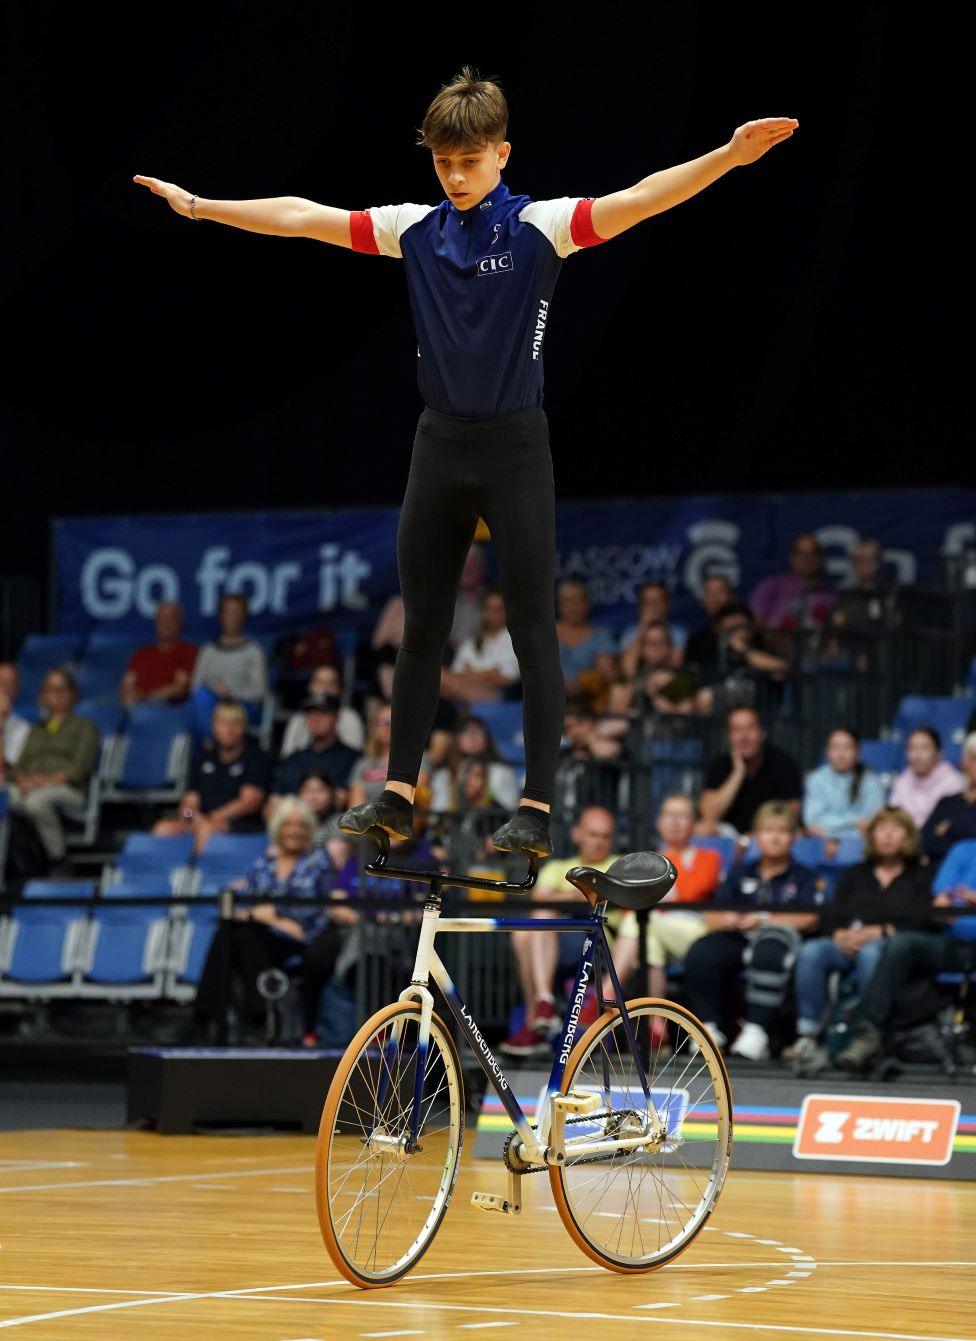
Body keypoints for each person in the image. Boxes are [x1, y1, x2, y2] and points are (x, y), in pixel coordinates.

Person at [135, 69, 797, 859]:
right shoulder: (413, 228)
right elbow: (302, 217)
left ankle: (537, 809)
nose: (454, 177)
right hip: (438, 446)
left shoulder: (540, 226)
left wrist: (726, 156)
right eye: (443, 163)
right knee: (422, 629)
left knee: (531, 631)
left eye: (470, 162)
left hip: (515, 448)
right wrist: (204, 207)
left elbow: (642, 197)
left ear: (502, 154)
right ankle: (396, 794)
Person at [189, 796, 354, 1045]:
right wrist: (263, 917)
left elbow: (311, 910)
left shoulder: (318, 860)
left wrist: (269, 915)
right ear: (277, 827)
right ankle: (242, 1014)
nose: (294, 831)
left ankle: (211, 1016)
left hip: (303, 938)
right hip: (264, 936)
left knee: (238, 934)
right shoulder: (265, 862)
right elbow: (247, 901)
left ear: (309, 830)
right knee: (232, 931)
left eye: (300, 825)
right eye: (288, 824)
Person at [787, 806, 935, 1072]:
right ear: (871, 836)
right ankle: (807, 1034)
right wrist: (839, 933)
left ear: (909, 836)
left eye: (895, 829)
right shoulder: (855, 873)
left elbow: (925, 920)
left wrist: (883, 931)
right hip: (847, 942)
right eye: (881, 829)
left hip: (888, 946)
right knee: (812, 951)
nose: (887, 836)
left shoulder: (921, 875)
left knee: (872, 954)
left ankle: (866, 1033)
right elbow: (832, 913)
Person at [682, 801, 821, 1060]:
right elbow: (712, 916)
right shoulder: (740, 872)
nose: (775, 837)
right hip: (739, 937)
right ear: (756, 836)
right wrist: (728, 918)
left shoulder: (803, 876)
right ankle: (708, 1029)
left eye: (783, 831)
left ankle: (757, 1032)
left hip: (780, 941)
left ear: (793, 837)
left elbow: (810, 917)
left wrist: (763, 920)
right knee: (702, 952)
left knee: (769, 949)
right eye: (768, 830)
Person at [501, 806, 621, 1057]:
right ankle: (540, 1009)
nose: (599, 841)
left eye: (605, 836)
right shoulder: (559, 866)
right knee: (524, 933)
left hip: (600, 945)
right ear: (577, 834)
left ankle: (536, 1018)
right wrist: (585, 894)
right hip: (558, 941)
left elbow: (554, 898)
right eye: (593, 834)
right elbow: (539, 898)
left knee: (541, 919)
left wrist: (562, 896)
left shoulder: (616, 867)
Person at [610, 795, 721, 1011]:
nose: (674, 822)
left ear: (694, 823)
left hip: (695, 933)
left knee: (640, 920)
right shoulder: (648, 859)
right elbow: (628, 904)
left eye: (682, 816)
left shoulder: (709, 857)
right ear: (658, 821)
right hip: (655, 929)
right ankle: (657, 1024)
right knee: (646, 935)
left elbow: (692, 892)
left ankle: (607, 990)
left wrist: (663, 864)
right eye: (669, 814)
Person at [6, 669, 100, 863]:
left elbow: (78, 770)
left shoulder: (85, 727)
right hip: (29, 785)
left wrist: (44, 782)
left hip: (67, 788)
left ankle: (57, 858)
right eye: (50, 689)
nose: (56, 695)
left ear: (73, 693)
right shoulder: (36, 729)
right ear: (43, 695)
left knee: (35, 802)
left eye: (62, 689)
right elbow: (18, 766)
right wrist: (23, 780)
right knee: (4, 797)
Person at [154, 701, 271, 852]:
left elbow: (249, 802)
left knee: (206, 829)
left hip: (239, 825)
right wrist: (190, 817)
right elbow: (188, 803)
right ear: (214, 727)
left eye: (235, 723)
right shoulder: (204, 758)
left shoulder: (255, 757)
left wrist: (210, 818)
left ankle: (196, 874)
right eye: (223, 723)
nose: (229, 729)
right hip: (201, 821)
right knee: (162, 829)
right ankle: (164, 874)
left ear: (243, 727)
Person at [698, 706, 803, 836]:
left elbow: (791, 812)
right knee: (702, 829)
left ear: (762, 732)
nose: (744, 736)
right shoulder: (720, 764)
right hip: (730, 835)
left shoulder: (783, 763)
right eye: (737, 730)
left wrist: (757, 834)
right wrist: (738, 773)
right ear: (729, 736)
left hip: (768, 833)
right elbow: (709, 815)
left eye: (750, 728)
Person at [189, 593, 268, 736]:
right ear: (221, 616)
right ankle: (210, 747)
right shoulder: (208, 650)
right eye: (228, 612)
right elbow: (195, 685)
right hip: (211, 705)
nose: (232, 617)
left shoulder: (253, 651)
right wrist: (214, 690)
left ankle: (213, 753)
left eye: (237, 612)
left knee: (220, 713)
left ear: (244, 616)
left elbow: (259, 692)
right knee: (201, 697)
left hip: (242, 707)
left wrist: (230, 695)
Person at [695, 601, 789, 715]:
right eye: (732, 623)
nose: (738, 626)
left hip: (760, 723)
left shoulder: (763, 649)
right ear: (719, 628)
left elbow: (782, 671)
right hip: (725, 725)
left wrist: (743, 649)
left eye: (742, 622)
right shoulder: (712, 656)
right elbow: (702, 697)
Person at [271, 693, 361, 803]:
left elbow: (348, 799)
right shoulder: (293, 759)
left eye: (323, 713)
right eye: (311, 714)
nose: (316, 718)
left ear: (336, 718)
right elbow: (273, 801)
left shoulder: (353, 759)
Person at [803, 728, 887, 845]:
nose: (840, 754)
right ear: (827, 752)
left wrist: (835, 837)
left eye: (847, 747)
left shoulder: (871, 782)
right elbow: (813, 823)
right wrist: (854, 821)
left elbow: (871, 826)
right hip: (823, 843)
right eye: (835, 747)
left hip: (860, 845)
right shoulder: (816, 779)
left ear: (858, 752)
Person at [441, 586, 520, 706]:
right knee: (439, 675)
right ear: (484, 612)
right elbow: (454, 675)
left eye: (499, 609)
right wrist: (489, 673)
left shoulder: (515, 640)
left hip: (498, 695)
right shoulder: (470, 642)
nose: (495, 614)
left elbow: (507, 678)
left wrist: (471, 675)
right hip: (463, 694)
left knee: (443, 679)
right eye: (490, 609)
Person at [429, 713, 518, 813]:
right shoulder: (443, 775)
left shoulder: (503, 773)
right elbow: (437, 815)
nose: (472, 737)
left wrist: (484, 799)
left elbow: (509, 813)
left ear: (487, 739)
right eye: (465, 732)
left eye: (478, 731)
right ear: (457, 739)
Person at [749, 533, 838, 633]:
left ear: (821, 559)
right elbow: (754, 624)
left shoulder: (831, 594)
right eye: (801, 554)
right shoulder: (772, 586)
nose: (807, 559)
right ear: (792, 558)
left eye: (813, 553)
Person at [119, 601, 198, 706]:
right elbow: (126, 684)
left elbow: (179, 689)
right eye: (161, 619)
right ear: (156, 622)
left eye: (171, 619)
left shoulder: (189, 652)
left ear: (180, 622)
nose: (166, 623)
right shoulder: (141, 653)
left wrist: (146, 699)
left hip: (168, 708)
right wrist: (129, 697)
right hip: (135, 706)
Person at [888, 727, 964, 830]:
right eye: (912, 748)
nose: (917, 755)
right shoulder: (902, 781)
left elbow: (949, 825)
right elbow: (893, 818)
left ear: (939, 753)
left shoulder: (954, 783)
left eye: (925, 748)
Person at [280, 663, 364, 756]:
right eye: (319, 682)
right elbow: (287, 756)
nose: (325, 688)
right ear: (310, 686)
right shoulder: (297, 719)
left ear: (339, 689)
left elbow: (354, 760)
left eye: (331, 683)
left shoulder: (350, 718)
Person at [922, 733, 976, 859]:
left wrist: (948, 829)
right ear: (963, 762)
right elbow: (926, 840)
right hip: (940, 868)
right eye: (974, 759)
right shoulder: (947, 802)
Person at [831, 538, 895, 632]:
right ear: (853, 564)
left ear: (879, 562)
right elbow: (836, 624)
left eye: (870, 559)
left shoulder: (891, 593)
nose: (865, 565)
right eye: (860, 560)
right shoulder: (845, 595)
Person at [619, 582, 687, 666]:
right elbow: (627, 669)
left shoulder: (678, 632)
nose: (654, 606)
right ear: (641, 606)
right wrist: (643, 626)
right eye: (648, 602)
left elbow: (675, 666)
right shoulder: (631, 633)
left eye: (658, 600)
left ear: (667, 604)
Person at [683, 575, 736, 677]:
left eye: (720, 592)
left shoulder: (747, 633)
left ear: (731, 597)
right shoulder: (696, 641)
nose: (715, 599)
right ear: (703, 601)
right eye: (710, 593)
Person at [0, 669, 30, 776]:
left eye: (9, 684)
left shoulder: (24, 729)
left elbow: (5, 768)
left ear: (16, 690)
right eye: (0, 682)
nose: (3, 688)